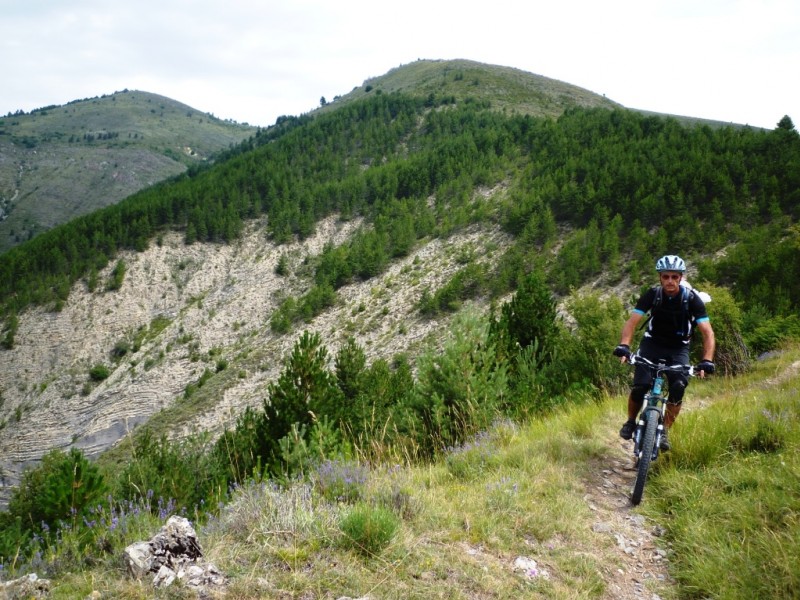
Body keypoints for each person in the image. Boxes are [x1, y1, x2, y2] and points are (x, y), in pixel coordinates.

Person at [613, 255, 716, 451]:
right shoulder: (653, 294)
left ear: (680, 278)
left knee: (678, 386)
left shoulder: (692, 299)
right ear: (660, 277)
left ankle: (665, 430)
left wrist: (707, 360)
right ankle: (630, 421)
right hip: (652, 343)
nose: (670, 281)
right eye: (666, 276)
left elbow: (707, 333)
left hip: (679, 347)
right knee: (640, 386)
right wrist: (624, 346)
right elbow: (632, 322)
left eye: (674, 277)